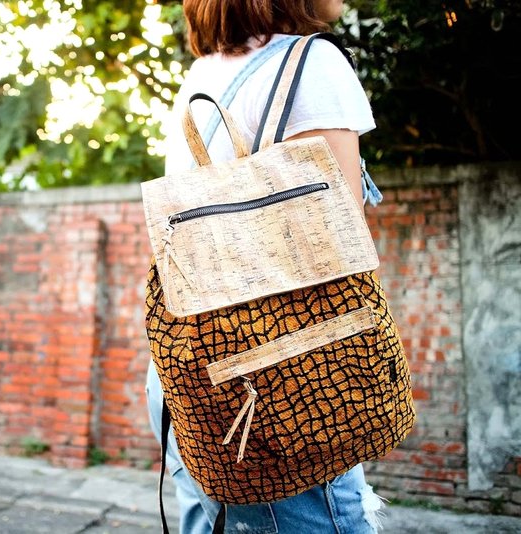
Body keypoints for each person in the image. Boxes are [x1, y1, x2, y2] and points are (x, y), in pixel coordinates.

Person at [146, 1, 386, 533]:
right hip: (277, 383)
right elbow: (335, 250)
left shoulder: (202, 73)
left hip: (184, 376)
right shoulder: (313, 64)